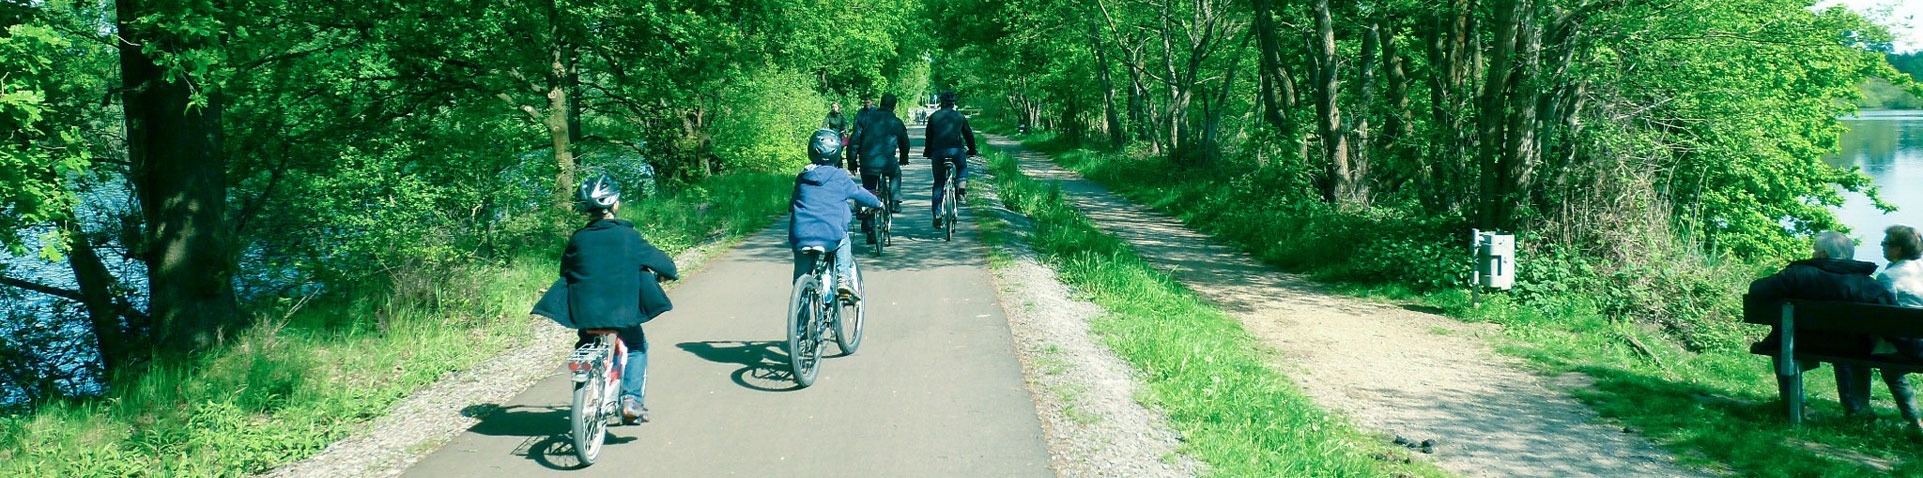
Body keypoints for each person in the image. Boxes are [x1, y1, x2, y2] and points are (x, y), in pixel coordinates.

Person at [530, 175, 679, 424]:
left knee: (586, 340)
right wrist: (669, 273)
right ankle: (631, 400)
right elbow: (662, 263)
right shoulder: (628, 237)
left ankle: (587, 381)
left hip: (584, 310)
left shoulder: (578, 238)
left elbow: (565, 270)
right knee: (636, 346)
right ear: (615, 205)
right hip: (621, 312)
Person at [1749, 231, 1900, 421]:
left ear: (1823, 255)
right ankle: (1857, 409)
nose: (1812, 254)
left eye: (1814, 250)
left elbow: (1757, 290)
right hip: (1852, 348)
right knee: (1852, 346)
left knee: (1783, 346)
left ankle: (1794, 406)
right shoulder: (1866, 283)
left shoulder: (1798, 275)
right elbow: (1893, 317)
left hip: (1801, 343)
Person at [791, 129, 882, 296]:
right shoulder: (839, 177)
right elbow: (859, 193)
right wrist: (877, 203)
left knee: (800, 277)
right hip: (830, 234)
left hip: (801, 234)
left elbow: (793, 204)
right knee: (843, 239)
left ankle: (800, 306)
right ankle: (844, 278)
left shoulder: (802, 177)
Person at [1875, 225, 1923, 428]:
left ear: (1899, 249)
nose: (1882, 246)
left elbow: (1887, 316)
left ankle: (1913, 420)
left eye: (1886, 243)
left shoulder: (1888, 276)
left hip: (1911, 346)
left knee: (1890, 368)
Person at [923, 90, 977, 229]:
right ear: (953, 104)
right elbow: (968, 135)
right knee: (962, 167)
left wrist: (927, 152)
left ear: (941, 102)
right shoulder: (960, 116)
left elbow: (929, 138)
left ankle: (937, 214)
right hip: (956, 150)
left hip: (938, 152)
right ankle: (961, 191)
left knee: (939, 183)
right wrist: (972, 150)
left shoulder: (934, 117)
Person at [851, 93, 910, 218]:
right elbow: (905, 142)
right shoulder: (896, 122)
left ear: (880, 104)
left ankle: (866, 213)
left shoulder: (866, 119)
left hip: (868, 163)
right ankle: (895, 200)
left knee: (869, 188)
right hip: (888, 163)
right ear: (894, 106)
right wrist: (904, 157)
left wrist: (852, 161)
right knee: (895, 173)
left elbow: (855, 140)